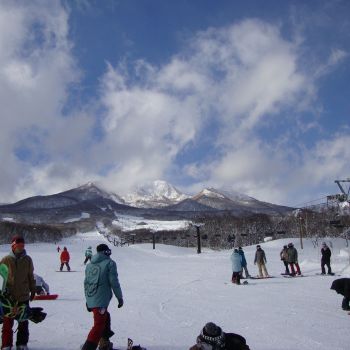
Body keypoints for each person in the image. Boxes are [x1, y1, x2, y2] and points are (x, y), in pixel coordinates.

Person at [81, 243, 124, 350]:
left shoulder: (90, 265)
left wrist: (88, 300)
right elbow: (114, 282)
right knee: (99, 324)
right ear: (105, 252)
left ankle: (104, 342)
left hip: (92, 297)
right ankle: (88, 347)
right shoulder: (110, 263)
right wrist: (120, 297)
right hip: (101, 299)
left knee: (106, 317)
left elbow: (86, 283)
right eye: (108, 251)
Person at [0, 235, 36, 350]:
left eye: (22, 245)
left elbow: (31, 276)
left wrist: (33, 290)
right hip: (8, 297)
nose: (21, 248)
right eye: (18, 245)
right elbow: (1, 276)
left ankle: (22, 343)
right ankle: (6, 344)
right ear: (13, 246)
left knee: (23, 322)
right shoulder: (6, 260)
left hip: (23, 295)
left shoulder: (28, 259)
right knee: (7, 323)